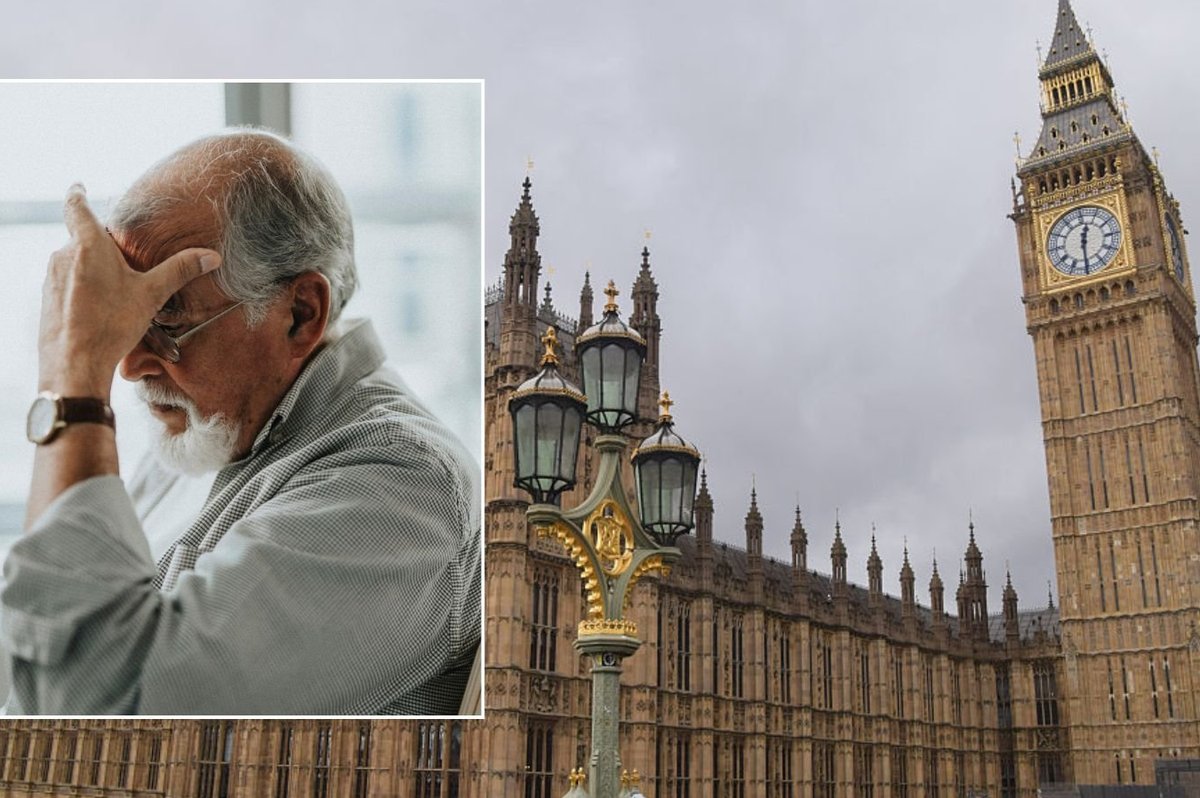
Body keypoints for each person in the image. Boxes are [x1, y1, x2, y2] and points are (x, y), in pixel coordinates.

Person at [1, 129, 481, 715]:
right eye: (122, 320)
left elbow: (98, 720)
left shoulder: (402, 486)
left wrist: (72, 378)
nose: (127, 364)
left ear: (301, 314)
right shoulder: (207, 430)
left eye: (167, 319)